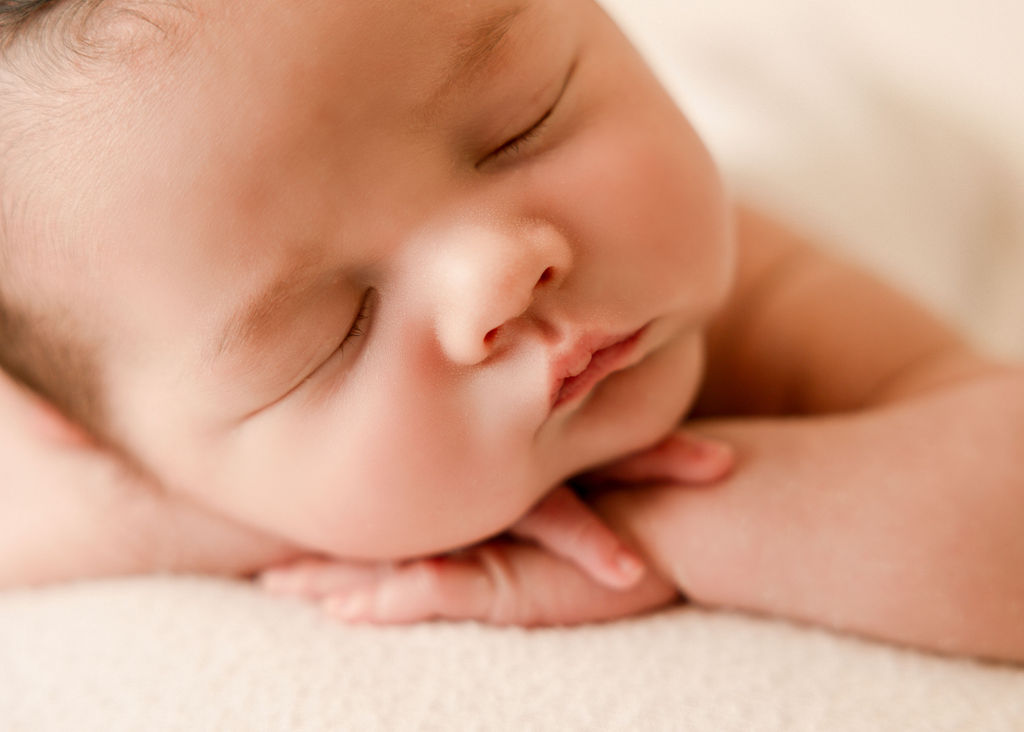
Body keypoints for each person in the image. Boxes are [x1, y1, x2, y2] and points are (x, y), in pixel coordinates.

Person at [1, 0, 1022, 662]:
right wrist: (205, 513)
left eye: (521, 125)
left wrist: (653, 530)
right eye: (334, 333)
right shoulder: (96, 427)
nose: (495, 273)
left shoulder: (748, 285)